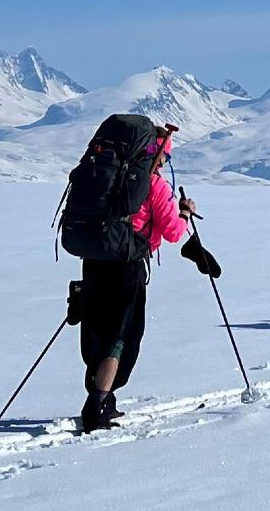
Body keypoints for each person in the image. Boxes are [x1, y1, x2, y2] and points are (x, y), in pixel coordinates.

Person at [77, 130, 196, 433]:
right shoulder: (153, 184)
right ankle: (97, 406)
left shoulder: (106, 174)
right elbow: (173, 232)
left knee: (98, 329)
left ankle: (104, 398)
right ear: (157, 154)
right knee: (120, 336)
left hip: (94, 260)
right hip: (127, 266)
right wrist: (184, 213)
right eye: (166, 156)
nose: (165, 162)